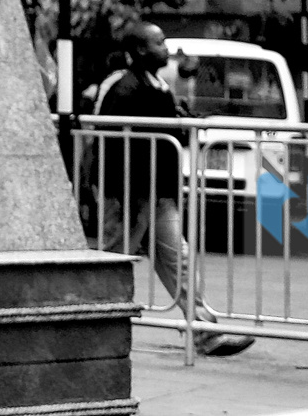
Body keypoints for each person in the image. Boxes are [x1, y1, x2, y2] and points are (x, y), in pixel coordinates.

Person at [90, 21, 254, 358]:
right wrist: (126, 199)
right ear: (139, 51)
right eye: (159, 43)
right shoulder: (122, 88)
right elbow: (109, 142)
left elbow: (168, 131)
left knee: (177, 258)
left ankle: (205, 332)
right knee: (111, 262)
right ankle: (87, 327)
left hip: (158, 194)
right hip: (127, 195)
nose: (166, 49)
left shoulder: (159, 86)